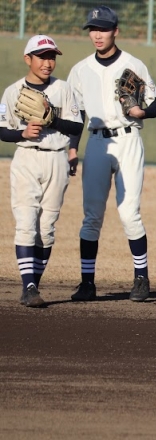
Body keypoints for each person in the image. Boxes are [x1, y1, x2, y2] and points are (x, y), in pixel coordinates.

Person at [67, 5, 156, 302]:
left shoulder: (133, 64)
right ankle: (87, 283)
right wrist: (72, 148)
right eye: (93, 29)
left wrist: (142, 112)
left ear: (116, 31)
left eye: (104, 29)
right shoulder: (80, 70)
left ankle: (141, 278)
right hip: (97, 143)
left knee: (129, 213)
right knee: (91, 216)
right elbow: (76, 115)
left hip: (128, 139)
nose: (97, 35)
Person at [0, 35, 83, 308]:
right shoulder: (12, 91)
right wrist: (21, 133)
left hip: (57, 158)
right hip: (27, 158)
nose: (48, 63)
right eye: (42, 57)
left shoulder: (63, 88)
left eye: (52, 57)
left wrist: (52, 119)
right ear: (28, 59)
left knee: (46, 228)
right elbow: (2, 130)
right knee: (26, 223)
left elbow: (77, 126)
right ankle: (29, 286)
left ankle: (33, 285)